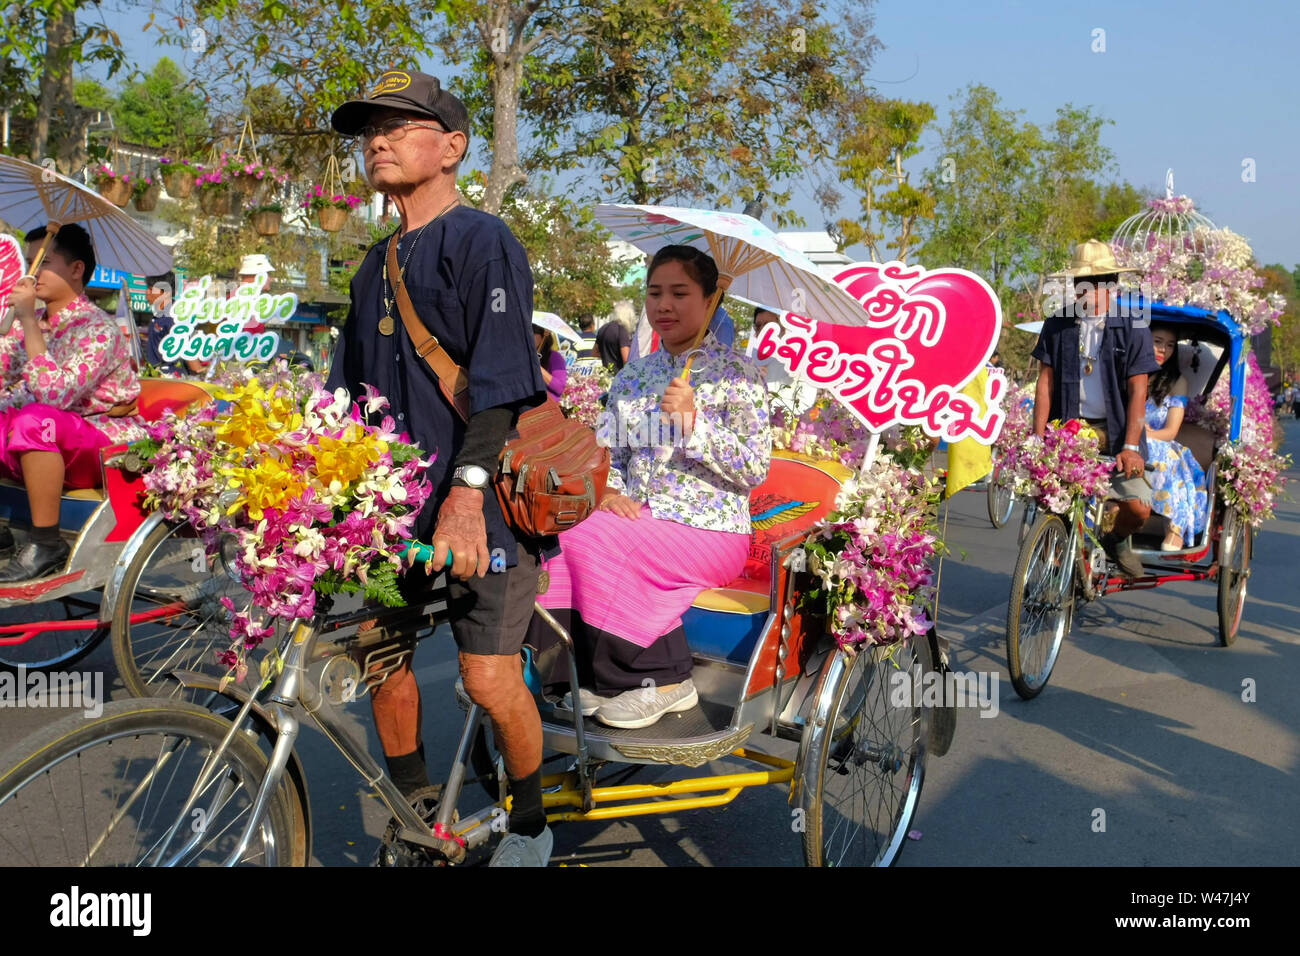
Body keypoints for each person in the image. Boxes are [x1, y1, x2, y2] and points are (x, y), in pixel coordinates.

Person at [326, 69, 553, 866]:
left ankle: (530, 823)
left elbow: (501, 382)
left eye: (400, 124)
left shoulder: (483, 240)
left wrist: (464, 495)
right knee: (380, 655)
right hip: (394, 519)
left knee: (487, 681)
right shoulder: (369, 266)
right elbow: (341, 403)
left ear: (452, 146)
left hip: (481, 511)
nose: (378, 140)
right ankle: (418, 807)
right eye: (369, 129)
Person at [527, 244, 771, 728]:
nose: (664, 305)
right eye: (655, 292)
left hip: (711, 529)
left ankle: (663, 680)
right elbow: (609, 455)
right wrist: (610, 493)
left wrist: (694, 424)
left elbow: (754, 467)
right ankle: (571, 674)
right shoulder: (634, 377)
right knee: (560, 530)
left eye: (680, 293)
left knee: (600, 540)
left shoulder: (738, 374)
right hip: (638, 517)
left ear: (710, 302)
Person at [0, 223, 145, 580]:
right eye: (29, 264)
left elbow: (54, 397)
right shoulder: (30, 323)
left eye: (43, 263)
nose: (31, 276)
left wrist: (29, 326)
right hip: (46, 438)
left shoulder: (99, 329)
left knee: (35, 419)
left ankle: (47, 542)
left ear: (77, 269)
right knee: (25, 419)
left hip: (103, 444)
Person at [1031, 239, 1159, 577]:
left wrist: (1131, 446)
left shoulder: (1133, 326)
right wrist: (1037, 437)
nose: (1087, 291)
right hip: (1068, 431)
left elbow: (1138, 390)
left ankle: (1115, 540)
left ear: (1112, 285)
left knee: (1138, 509)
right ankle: (1053, 567)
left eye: (1098, 283)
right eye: (1080, 283)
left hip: (1117, 433)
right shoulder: (1058, 324)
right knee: (1049, 504)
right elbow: (1045, 383)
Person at [1143, 322, 1207, 551]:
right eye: (1157, 342)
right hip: (1129, 439)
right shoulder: (1129, 373)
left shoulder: (1177, 382)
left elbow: (1170, 431)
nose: (1163, 350)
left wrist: (1147, 434)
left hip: (1160, 442)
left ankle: (1174, 528)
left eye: (1170, 345)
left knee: (1155, 450)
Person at [142, 271, 206, 376]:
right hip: (155, 375)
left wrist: (200, 374)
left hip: (170, 377)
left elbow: (187, 347)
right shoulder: (159, 315)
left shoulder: (176, 316)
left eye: (150, 289)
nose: (147, 292)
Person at [534, 323, 566, 401]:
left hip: (548, 405)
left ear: (543, 336)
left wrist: (537, 367)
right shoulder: (521, 355)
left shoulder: (554, 357)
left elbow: (559, 388)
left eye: (534, 331)